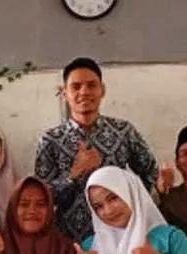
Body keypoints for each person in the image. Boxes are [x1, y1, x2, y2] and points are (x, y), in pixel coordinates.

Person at [35, 57, 158, 242]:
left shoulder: (123, 131)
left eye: (91, 85)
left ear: (102, 90)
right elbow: (41, 199)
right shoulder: (50, 140)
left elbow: (150, 175)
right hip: (70, 242)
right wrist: (73, 175)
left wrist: (129, 204)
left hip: (121, 239)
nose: (84, 92)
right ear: (64, 93)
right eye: (76, 87)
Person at [75, 166, 187, 254]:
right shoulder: (89, 246)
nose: (108, 210)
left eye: (113, 198)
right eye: (98, 207)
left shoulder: (170, 238)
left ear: (131, 193)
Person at [0, 176, 76, 254]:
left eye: (41, 204)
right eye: (24, 204)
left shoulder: (66, 249)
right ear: (13, 209)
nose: (32, 211)